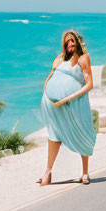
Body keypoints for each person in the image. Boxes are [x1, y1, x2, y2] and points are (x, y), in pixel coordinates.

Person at [38, 29, 96, 185]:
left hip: (75, 104)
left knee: (82, 133)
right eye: (66, 41)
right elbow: (49, 76)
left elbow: (89, 84)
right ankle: (48, 171)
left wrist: (66, 99)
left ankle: (85, 173)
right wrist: (46, 94)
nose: (69, 43)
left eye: (72, 40)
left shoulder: (84, 58)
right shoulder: (59, 58)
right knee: (54, 136)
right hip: (54, 106)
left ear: (78, 41)